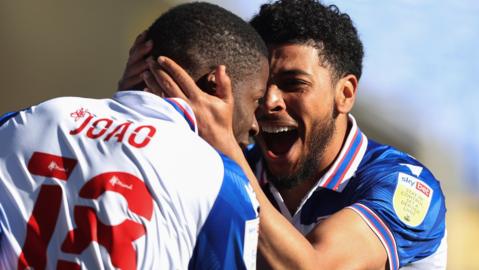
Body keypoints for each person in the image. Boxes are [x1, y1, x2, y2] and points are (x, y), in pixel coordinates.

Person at [122, 0, 447, 269]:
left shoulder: (405, 186)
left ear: (345, 93)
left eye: (294, 84)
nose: (270, 102)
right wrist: (128, 110)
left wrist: (226, 150)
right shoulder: (229, 163)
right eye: (262, 88)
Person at [0, 2, 269, 269]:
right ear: (216, 84)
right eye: (256, 100)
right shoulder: (220, 180)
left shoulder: (24, 121)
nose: (256, 124)